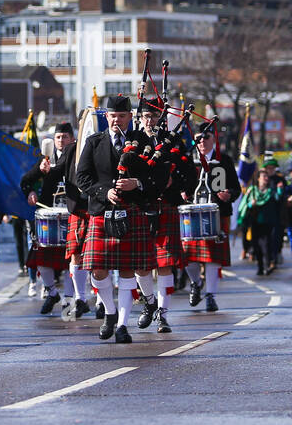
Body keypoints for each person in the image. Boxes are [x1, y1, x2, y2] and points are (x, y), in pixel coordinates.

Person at [74, 94, 160, 343]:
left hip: (132, 211)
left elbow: (157, 177)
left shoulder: (144, 142)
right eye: (113, 116)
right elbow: (82, 178)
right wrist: (104, 191)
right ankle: (110, 313)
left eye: (122, 116)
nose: (117, 121)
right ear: (106, 117)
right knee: (98, 270)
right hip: (102, 211)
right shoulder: (94, 142)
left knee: (126, 271)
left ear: (130, 117)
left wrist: (138, 183)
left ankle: (122, 324)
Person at [135, 98, 195, 333]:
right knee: (141, 264)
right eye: (146, 117)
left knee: (165, 264)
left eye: (154, 116)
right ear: (140, 119)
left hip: (165, 205)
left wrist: (176, 183)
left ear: (161, 118)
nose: (150, 121)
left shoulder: (173, 141)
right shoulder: (134, 140)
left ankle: (163, 314)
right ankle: (149, 302)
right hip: (140, 207)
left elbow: (188, 173)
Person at [21, 122, 82, 316]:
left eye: (65, 137)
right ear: (53, 140)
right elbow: (25, 181)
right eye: (58, 137)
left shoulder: (79, 156)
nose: (61, 141)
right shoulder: (44, 160)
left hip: (72, 213)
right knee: (41, 260)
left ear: (72, 139)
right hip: (49, 216)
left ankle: (70, 299)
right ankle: (52, 292)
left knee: (71, 260)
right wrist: (30, 192)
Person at [183, 125, 240, 307]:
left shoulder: (224, 160)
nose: (202, 141)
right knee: (188, 255)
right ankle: (196, 283)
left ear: (214, 139)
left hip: (218, 213)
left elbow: (235, 188)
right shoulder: (187, 160)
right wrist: (182, 192)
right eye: (198, 137)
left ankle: (210, 296)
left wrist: (229, 194)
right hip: (191, 214)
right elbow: (178, 181)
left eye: (206, 137)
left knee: (213, 257)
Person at [237, 169, 279, 276]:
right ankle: (260, 267)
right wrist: (251, 204)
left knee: (266, 245)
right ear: (258, 178)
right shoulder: (252, 191)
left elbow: (278, 200)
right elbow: (244, 204)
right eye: (263, 176)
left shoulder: (271, 191)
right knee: (256, 246)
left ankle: (266, 266)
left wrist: (280, 191)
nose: (266, 178)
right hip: (255, 222)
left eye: (267, 177)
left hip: (267, 223)